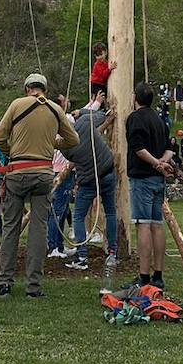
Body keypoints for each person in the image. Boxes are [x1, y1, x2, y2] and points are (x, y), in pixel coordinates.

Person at [0, 72, 78, 299]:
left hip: (17, 172)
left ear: (27, 89)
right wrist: (53, 143)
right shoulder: (55, 109)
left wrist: (13, 152)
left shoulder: (16, 105)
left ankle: (5, 282)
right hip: (43, 174)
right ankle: (33, 286)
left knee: (11, 227)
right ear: (45, 90)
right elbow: (73, 140)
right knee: (39, 229)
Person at [126, 81, 173, 291]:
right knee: (157, 224)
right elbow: (170, 148)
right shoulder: (159, 119)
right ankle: (158, 275)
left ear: (135, 98)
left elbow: (138, 148)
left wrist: (156, 163)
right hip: (157, 180)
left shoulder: (135, 118)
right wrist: (162, 162)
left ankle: (144, 276)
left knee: (143, 224)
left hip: (142, 178)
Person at [66, 103, 117, 272]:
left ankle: (82, 256)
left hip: (88, 181)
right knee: (111, 213)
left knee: (78, 217)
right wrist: (81, 111)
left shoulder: (67, 147)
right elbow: (102, 115)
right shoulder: (84, 123)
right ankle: (112, 253)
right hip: (107, 173)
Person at [47, 145, 74, 259]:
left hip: (63, 170)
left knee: (63, 211)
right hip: (61, 170)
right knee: (57, 212)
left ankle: (59, 245)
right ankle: (53, 247)